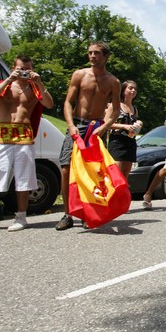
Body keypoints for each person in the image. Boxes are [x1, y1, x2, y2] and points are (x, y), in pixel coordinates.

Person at [0, 55, 54, 233]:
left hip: (24, 135)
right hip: (1, 134)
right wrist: (10, 78)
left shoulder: (35, 88)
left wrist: (39, 83)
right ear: (14, 68)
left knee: (24, 178)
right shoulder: (4, 85)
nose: (25, 72)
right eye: (21, 69)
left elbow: (49, 104)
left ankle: (21, 216)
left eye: (28, 69)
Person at [56, 41, 121, 231]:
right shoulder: (79, 75)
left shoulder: (113, 82)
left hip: (95, 127)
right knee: (66, 168)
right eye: (90, 53)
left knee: (93, 171)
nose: (92, 56)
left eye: (97, 53)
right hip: (76, 124)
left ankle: (88, 212)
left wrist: (105, 127)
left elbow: (116, 109)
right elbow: (68, 103)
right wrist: (70, 125)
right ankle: (67, 213)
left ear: (106, 57)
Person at [105, 80, 142, 178]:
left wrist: (138, 125)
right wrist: (124, 126)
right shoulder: (115, 105)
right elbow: (105, 124)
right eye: (130, 88)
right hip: (117, 142)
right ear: (123, 90)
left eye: (135, 89)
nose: (133, 90)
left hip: (130, 143)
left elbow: (134, 126)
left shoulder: (134, 109)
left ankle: (122, 193)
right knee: (115, 176)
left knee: (125, 177)